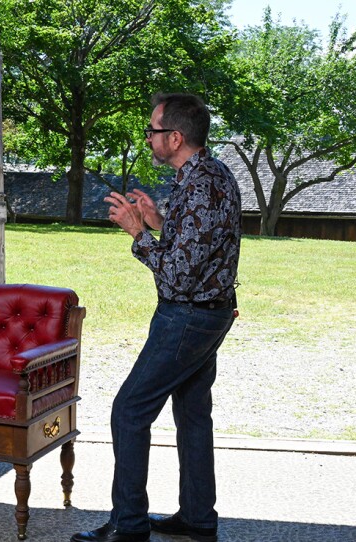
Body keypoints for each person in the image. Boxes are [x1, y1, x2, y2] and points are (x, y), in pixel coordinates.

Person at [72, 93, 241, 542]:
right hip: (212, 314)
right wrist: (161, 219)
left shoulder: (199, 183)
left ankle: (128, 526)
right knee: (192, 413)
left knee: (129, 411)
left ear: (176, 137)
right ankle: (198, 519)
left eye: (153, 130)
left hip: (186, 318)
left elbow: (179, 274)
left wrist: (138, 232)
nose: (148, 137)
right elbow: (197, 240)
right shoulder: (214, 173)